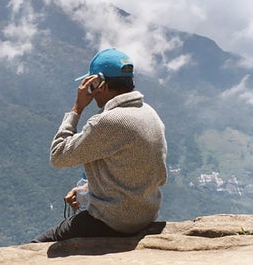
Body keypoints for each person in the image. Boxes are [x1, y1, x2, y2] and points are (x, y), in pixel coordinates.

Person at [32, 48, 167, 242]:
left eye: (92, 83)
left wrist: (77, 109)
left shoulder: (109, 122)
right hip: (146, 215)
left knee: (39, 245)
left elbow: (58, 155)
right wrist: (86, 191)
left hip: (113, 223)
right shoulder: (149, 113)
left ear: (100, 84)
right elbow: (137, 172)